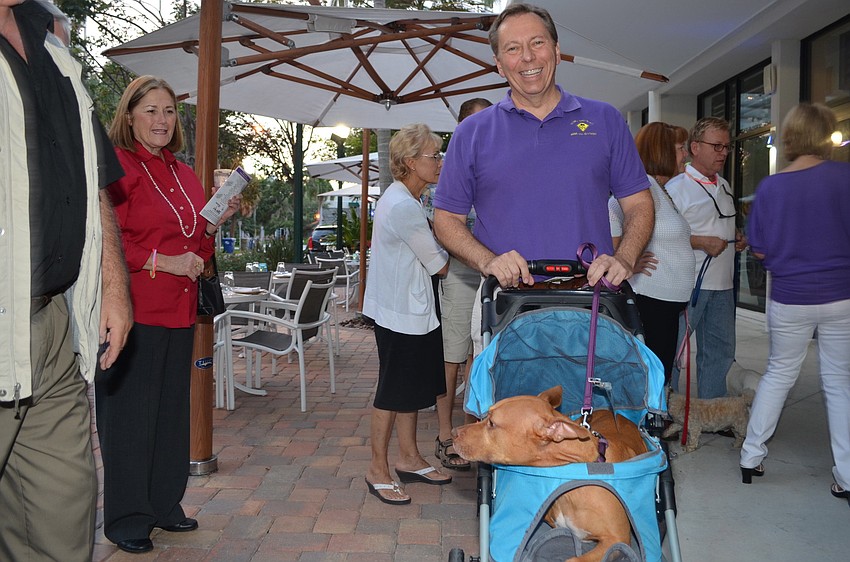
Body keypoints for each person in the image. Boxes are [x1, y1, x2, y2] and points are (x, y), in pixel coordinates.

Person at [0, 1, 133, 560]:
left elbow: (91, 177)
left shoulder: (51, 39)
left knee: (65, 510)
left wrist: (114, 286)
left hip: (55, 322)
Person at [96, 75, 240, 554]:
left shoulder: (182, 172)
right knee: (129, 419)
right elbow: (107, 238)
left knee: (169, 415)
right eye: (151, 110)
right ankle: (127, 518)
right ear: (129, 115)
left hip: (179, 312)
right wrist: (165, 261)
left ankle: (163, 504)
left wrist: (214, 224)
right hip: (132, 312)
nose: (162, 120)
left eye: (170, 111)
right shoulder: (118, 165)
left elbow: (196, 246)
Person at [433, 3, 653, 306]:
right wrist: (488, 261)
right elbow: (446, 219)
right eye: (513, 48)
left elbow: (639, 203)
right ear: (499, 64)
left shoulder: (606, 119)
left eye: (537, 42)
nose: (527, 57)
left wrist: (625, 257)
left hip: (592, 299)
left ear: (557, 51)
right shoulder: (471, 132)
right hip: (504, 303)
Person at [739, 103, 850, 494]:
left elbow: (759, 249)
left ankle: (751, 456)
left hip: (790, 296)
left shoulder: (771, 187)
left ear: (790, 137)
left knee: (779, 374)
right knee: (839, 383)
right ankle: (847, 476)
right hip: (841, 296)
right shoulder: (845, 177)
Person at [362, 123, 451, 505]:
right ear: (412, 162)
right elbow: (440, 265)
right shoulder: (403, 206)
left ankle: (409, 457)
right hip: (401, 313)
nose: (440, 162)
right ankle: (377, 468)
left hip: (407, 309)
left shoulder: (404, 198)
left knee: (410, 388)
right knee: (392, 391)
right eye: (435, 155)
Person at [665, 117, 747, 399]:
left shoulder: (724, 185)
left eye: (727, 147)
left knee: (720, 351)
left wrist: (736, 236)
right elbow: (663, 236)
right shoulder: (676, 188)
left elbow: (719, 223)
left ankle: (714, 410)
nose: (723, 153)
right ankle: (668, 411)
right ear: (695, 147)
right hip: (689, 286)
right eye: (717, 146)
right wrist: (700, 242)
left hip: (724, 285)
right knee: (674, 351)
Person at [609, 122, 694, 384]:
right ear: (662, 151)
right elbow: (612, 210)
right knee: (652, 377)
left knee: (659, 374)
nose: (686, 154)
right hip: (651, 299)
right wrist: (625, 260)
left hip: (665, 303)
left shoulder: (660, 189)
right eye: (680, 148)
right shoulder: (645, 185)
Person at [433, 97, 492, 471]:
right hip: (459, 270)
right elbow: (437, 224)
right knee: (452, 354)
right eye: (477, 121)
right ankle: (444, 433)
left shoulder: (500, 161)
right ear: (461, 127)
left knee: (480, 352)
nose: (484, 128)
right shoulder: (449, 169)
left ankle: (473, 430)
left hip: (494, 272)